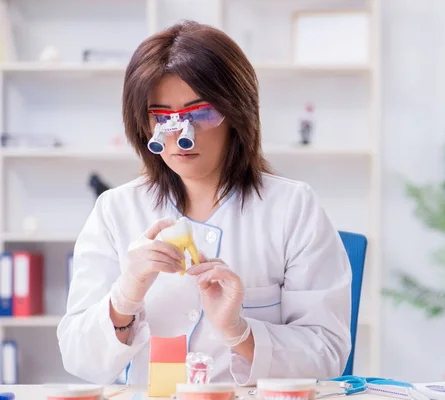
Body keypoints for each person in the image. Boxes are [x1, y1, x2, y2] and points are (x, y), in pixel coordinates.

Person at [57, 20, 352, 386]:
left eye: (200, 113)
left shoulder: (292, 208)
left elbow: (327, 355)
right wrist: (124, 298)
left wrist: (239, 332)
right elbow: (78, 357)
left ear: (238, 115)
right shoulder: (116, 210)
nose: (181, 133)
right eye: (162, 117)